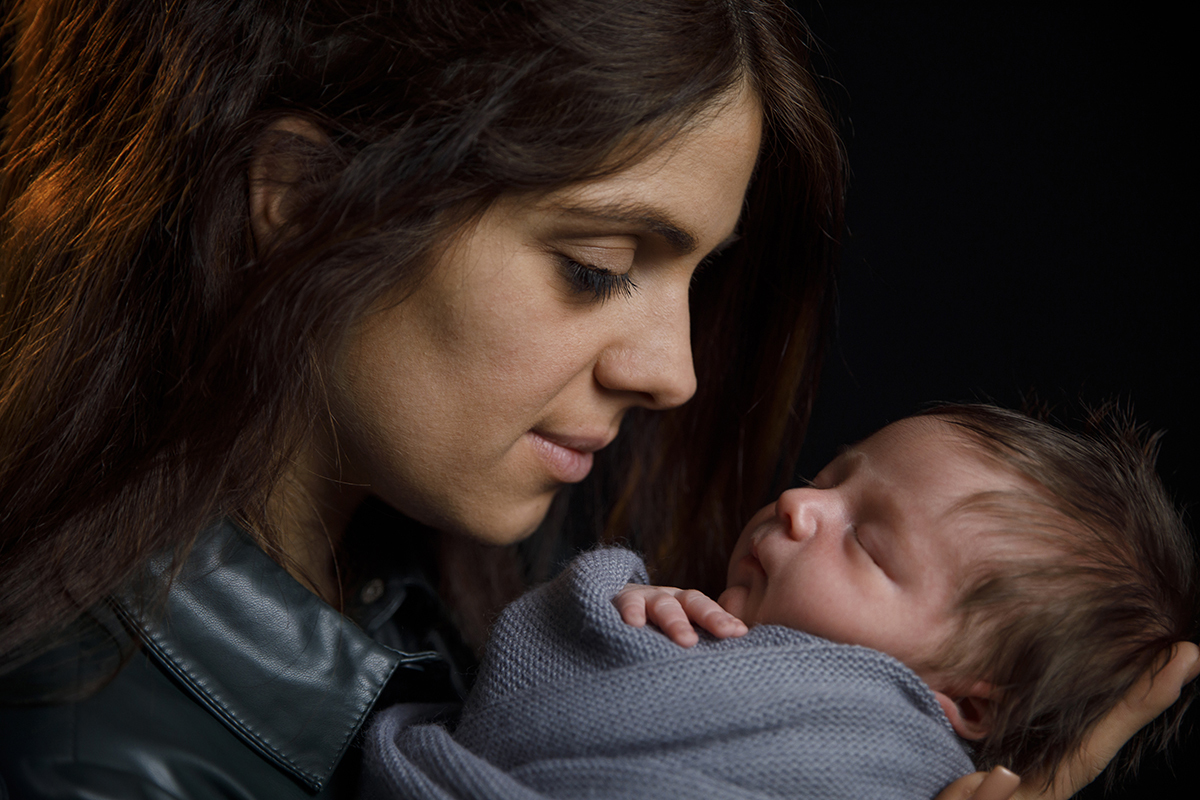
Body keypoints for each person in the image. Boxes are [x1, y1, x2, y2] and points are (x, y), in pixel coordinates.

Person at [0, 1, 1188, 798]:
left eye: (695, 277)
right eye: (597, 264)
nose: (674, 371)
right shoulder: (93, 754)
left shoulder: (428, 613)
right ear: (305, 200)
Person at [363, 403, 1198, 799]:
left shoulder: (886, 768)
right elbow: (520, 708)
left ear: (969, 704)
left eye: (867, 543)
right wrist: (615, 616)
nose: (801, 505)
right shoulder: (692, 627)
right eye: (831, 476)